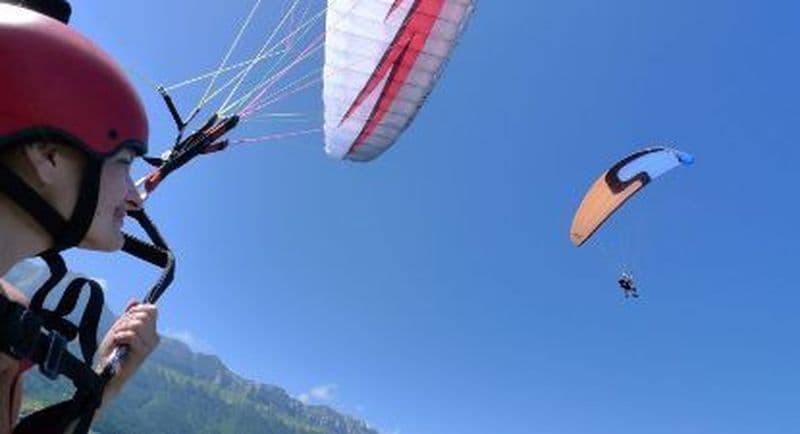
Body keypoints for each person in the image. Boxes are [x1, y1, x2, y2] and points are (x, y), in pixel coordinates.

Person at [0, 3, 162, 432]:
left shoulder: (11, 319)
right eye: (125, 162)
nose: (134, 196)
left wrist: (106, 379)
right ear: (47, 154)